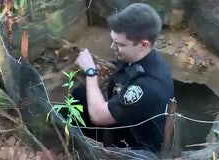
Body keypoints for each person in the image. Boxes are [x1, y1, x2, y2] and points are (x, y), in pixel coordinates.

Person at [72, 3, 174, 154]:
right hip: (124, 119)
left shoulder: (147, 86)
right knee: (80, 95)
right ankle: (90, 143)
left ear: (143, 44)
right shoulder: (136, 57)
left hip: (136, 146)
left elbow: (98, 116)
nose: (113, 46)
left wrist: (91, 72)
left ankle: (93, 153)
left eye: (119, 44)